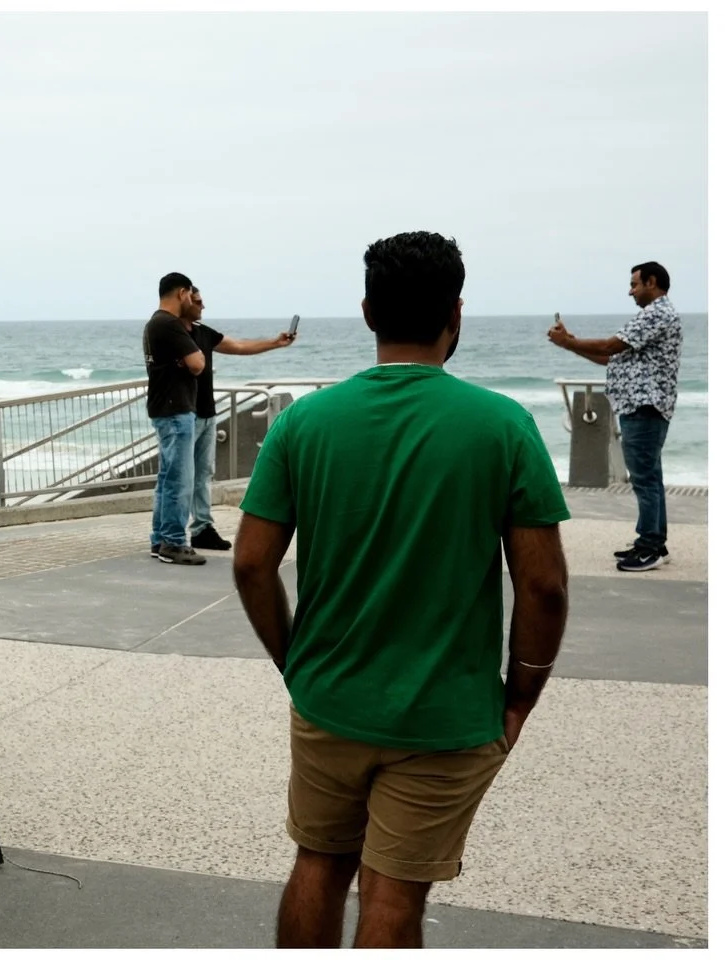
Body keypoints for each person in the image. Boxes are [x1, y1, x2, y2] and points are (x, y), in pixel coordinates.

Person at [232, 231, 570, 948]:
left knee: (318, 866)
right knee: (392, 898)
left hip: (329, 695)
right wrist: (521, 692)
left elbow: (251, 564)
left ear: (366, 312)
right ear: (457, 313)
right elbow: (542, 586)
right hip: (446, 712)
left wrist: (294, 660)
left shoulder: (303, 424)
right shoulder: (503, 425)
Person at [548, 261, 681, 572]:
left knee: (645, 479)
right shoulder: (653, 316)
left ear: (652, 282)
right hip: (643, 405)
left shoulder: (657, 313)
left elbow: (611, 344)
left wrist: (568, 341)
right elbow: (610, 357)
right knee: (651, 476)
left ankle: (650, 546)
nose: (630, 290)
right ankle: (654, 542)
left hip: (644, 406)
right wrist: (571, 346)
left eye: (635, 284)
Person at [181, 286, 295, 551]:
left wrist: (275, 343)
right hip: (183, 414)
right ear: (184, 299)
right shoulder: (172, 333)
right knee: (179, 476)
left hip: (207, 414)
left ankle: (201, 528)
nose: (202, 306)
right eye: (197, 300)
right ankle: (171, 535)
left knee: (204, 474)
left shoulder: (203, 333)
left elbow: (239, 346)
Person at [143, 272, 206, 566]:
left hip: (163, 408)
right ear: (181, 293)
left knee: (168, 478)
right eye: (190, 295)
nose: (193, 300)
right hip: (176, 410)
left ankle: (160, 540)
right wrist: (190, 359)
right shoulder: (168, 324)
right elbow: (198, 363)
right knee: (180, 480)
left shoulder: (153, 323)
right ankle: (174, 542)